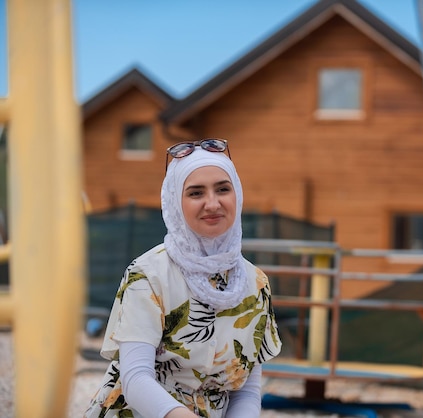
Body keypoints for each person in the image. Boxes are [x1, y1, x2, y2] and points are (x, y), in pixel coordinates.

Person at [85, 138, 282, 418]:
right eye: (196, 193)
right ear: (175, 202)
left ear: (237, 194)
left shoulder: (256, 283)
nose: (212, 203)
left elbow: (246, 389)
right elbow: (135, 380)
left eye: (223, 189)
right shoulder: (148, 274)